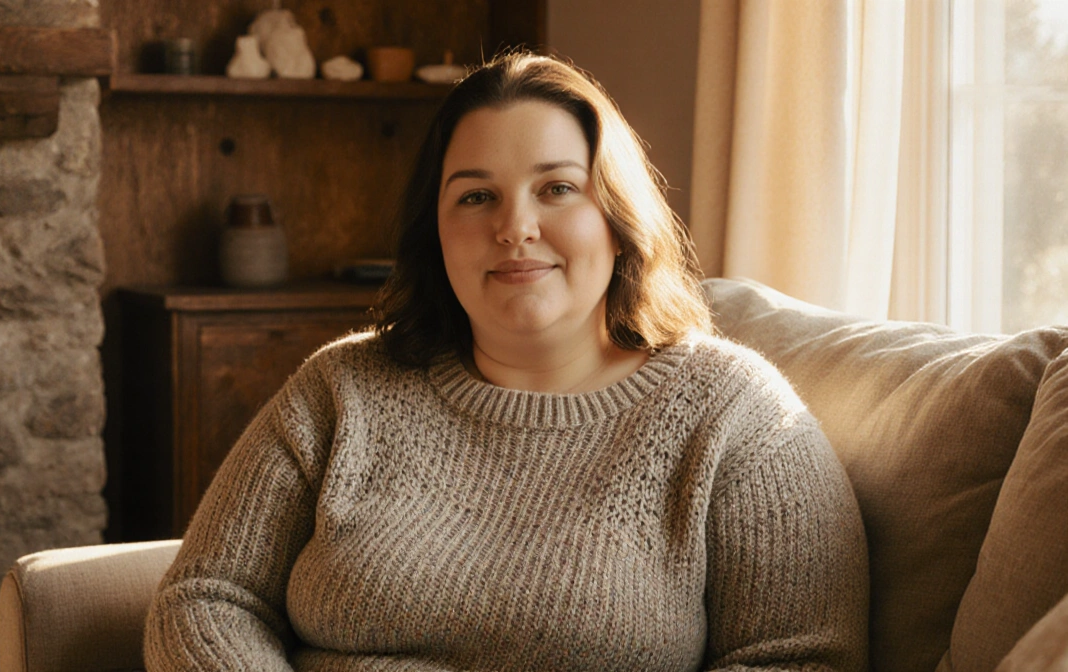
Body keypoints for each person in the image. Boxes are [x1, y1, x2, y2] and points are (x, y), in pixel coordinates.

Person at [144, 51, 870, 671]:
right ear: (436, 232)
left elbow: (795, 660)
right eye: (476, 196)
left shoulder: (738, 416)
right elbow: (207, 597)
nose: (514, 227)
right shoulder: (342, 390)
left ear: (617, 221)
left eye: (557, 188)